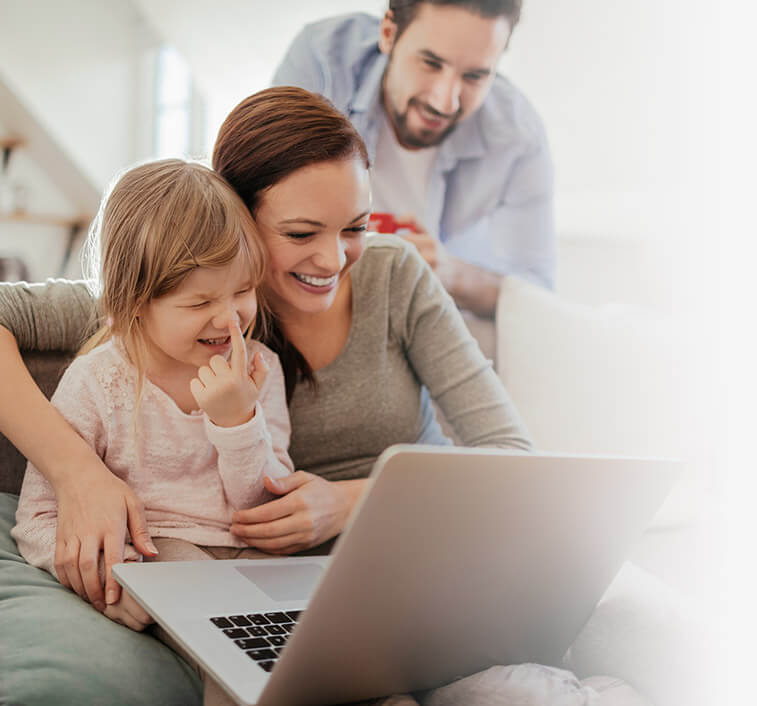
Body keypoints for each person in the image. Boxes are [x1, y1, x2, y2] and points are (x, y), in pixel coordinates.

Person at [0, 87, 647, 705]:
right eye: (302, 232)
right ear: (237, 218)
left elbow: (509, 454)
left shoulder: (390, 279)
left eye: (355, 227)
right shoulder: (168, 300)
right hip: (292, 592)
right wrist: (76, 472)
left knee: (533, 682)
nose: (334, 259)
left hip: (413, 564)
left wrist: (348, 503)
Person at [11, 159, 294, 633]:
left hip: (259, 555)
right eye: (200, 302)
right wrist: (113, 583)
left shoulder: (258, 368)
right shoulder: (99, 381)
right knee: (237, 641)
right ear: (133, 303)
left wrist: (236, 421)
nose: (230, 319)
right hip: (161, 551)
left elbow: (263, 508)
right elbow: (37, 519)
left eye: (243, 290)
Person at [273, 0, 555, 317]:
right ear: (389, 33)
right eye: (431, 63)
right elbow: (260, 212)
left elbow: (538, 297)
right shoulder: (322, 62)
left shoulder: (517, 135)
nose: (444, 101)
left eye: (474, 76)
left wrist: (451, 273)